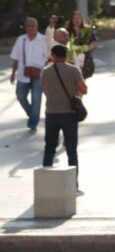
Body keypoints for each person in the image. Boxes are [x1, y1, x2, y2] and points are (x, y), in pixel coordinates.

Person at [40, 44, 87, 183]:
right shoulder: (73, 70)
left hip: (51, 114)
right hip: (69, 115)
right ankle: (74, 183)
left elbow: (45, 90)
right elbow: (84, 90)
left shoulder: (46, 72)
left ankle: (46, 182)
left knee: (49, 149)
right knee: (71, 151)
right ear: (66, 56)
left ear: (53, 56)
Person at [9, 17, 49, 131]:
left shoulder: (43, 39)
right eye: (28, 25)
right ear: (25, 27)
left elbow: (48, 57)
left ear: (37, 27)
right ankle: (32, 114)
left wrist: (42, 69)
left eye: (33, 25)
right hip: (23, 74)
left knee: (36, 100)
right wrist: (13, 73)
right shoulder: (21, 39)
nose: (31, 28)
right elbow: (16, 58)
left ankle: (33, 123)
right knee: (20, 96)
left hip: (38, 74)